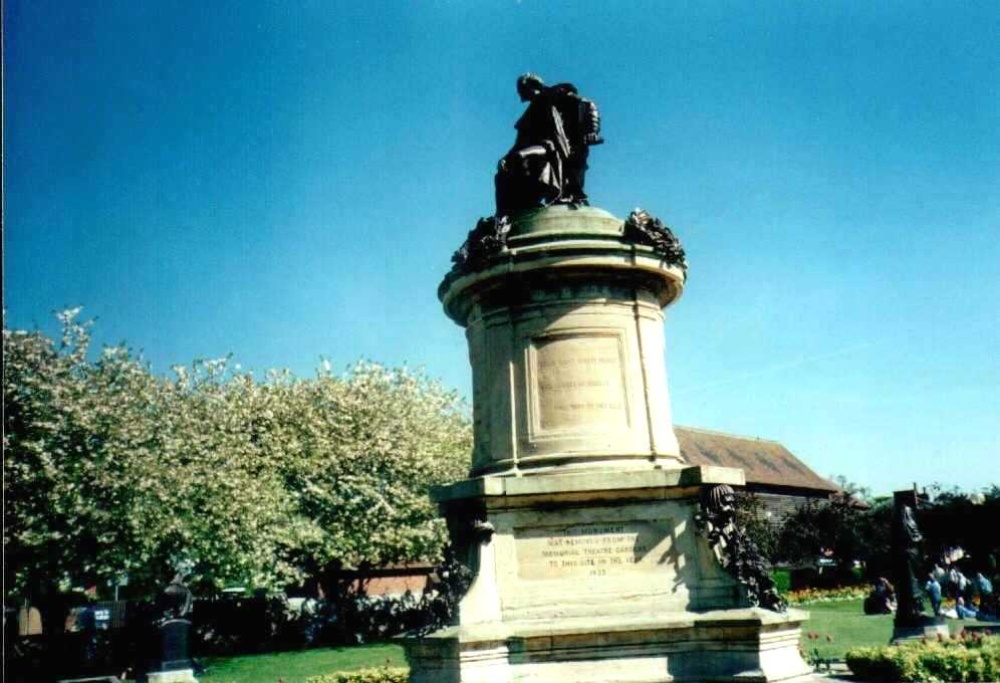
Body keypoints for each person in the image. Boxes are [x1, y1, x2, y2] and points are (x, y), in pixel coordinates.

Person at [495, 74, 603, 216]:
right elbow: (520, 142)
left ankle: (540, 195)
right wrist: (505, 158)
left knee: (520, 157)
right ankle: (509, 213)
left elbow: (586, 104)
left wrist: (591, 130)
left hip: (553, 146)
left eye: (521, 89)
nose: (519, 93)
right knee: (503, 173)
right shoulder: (529, 114)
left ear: (532, 86)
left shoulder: (554, 95)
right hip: (540, 147)